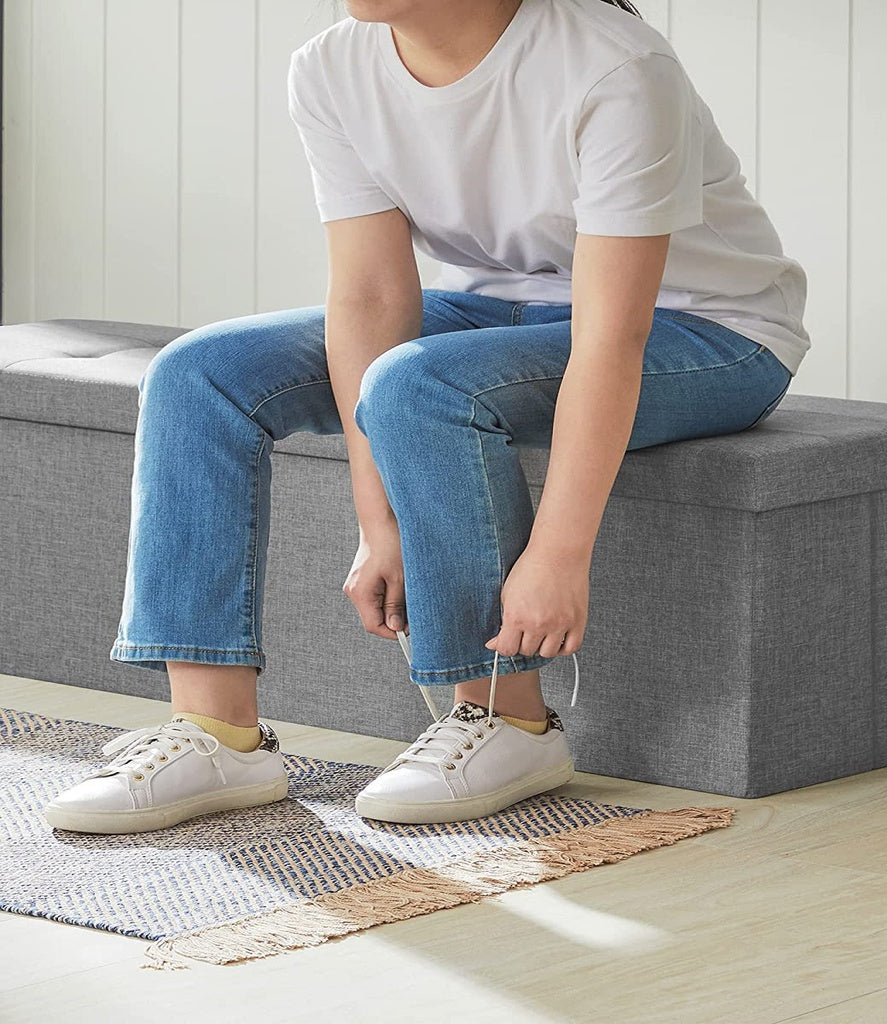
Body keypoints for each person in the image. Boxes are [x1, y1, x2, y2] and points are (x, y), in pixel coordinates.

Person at [44, 0, 809, 835]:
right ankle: (218, 730)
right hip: (499, 311)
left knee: (423, 384)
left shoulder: (615, 67)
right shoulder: (333, 66)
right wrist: (380, 524)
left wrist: (558, 554)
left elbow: (610, 335)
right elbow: (371, 295)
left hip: (706, 331)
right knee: (201, 373)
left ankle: (508, 719)